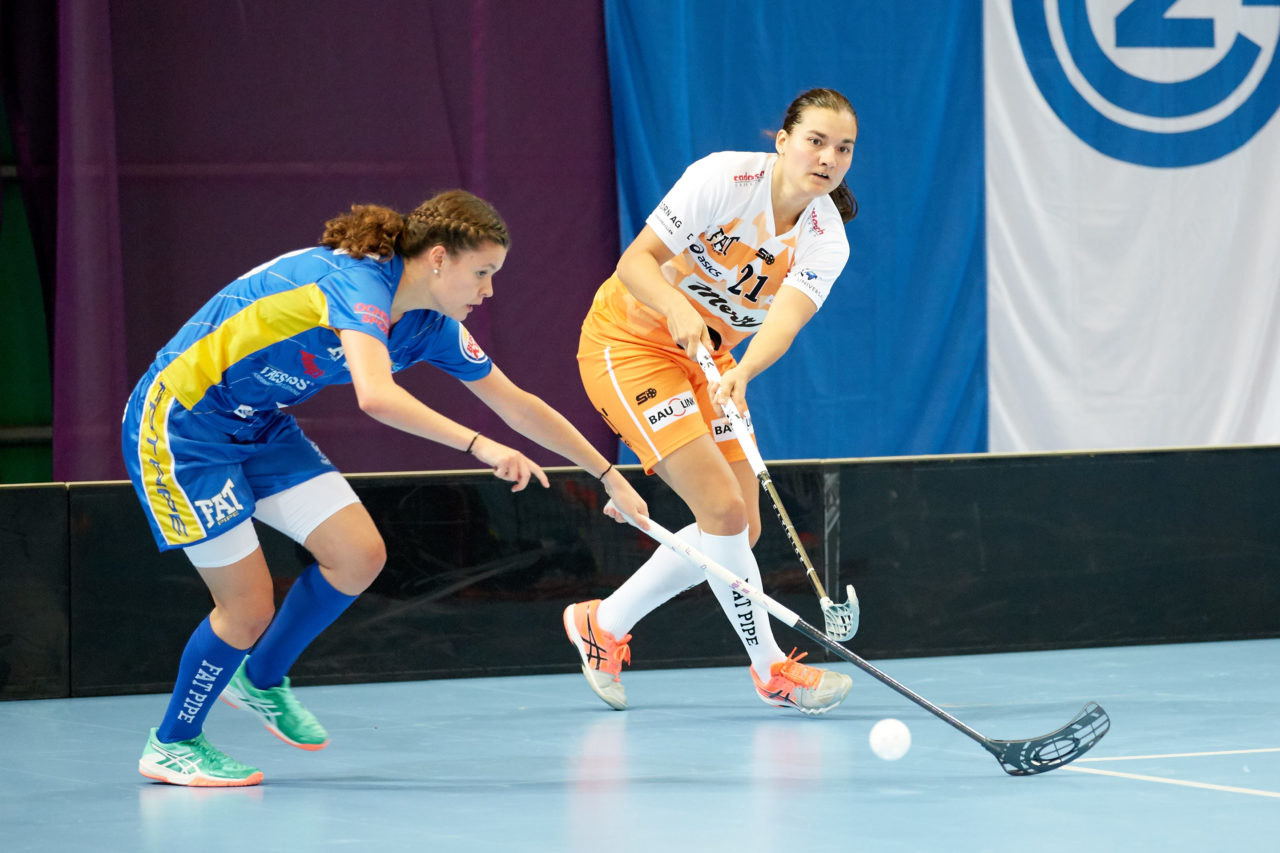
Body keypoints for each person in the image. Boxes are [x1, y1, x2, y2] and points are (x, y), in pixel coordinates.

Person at [124, 189, 647, 787]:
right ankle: (172, 742)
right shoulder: (358, 283)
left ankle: (261, 678)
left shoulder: (429, 326)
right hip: (182, 424)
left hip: (261, 424)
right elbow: (375, 396)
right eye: (482, 272)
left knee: (359, 555)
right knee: (246, 607)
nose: (489, 290)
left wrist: (607, 474)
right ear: (438, 260)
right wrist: (479, 446)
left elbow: (518, 406)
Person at [565, 88, 859, 715]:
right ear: (782, 141)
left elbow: (783, 323)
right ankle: (771, 669)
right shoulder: (724, 178)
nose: (829, 157)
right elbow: (635, 261)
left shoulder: (826, 236)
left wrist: (743, 373)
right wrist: (674, 306)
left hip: (712, 362)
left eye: (843, 148)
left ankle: (605, 622)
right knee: (722, 512)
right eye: (816, 140)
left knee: (740, 526)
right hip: (629, 344)